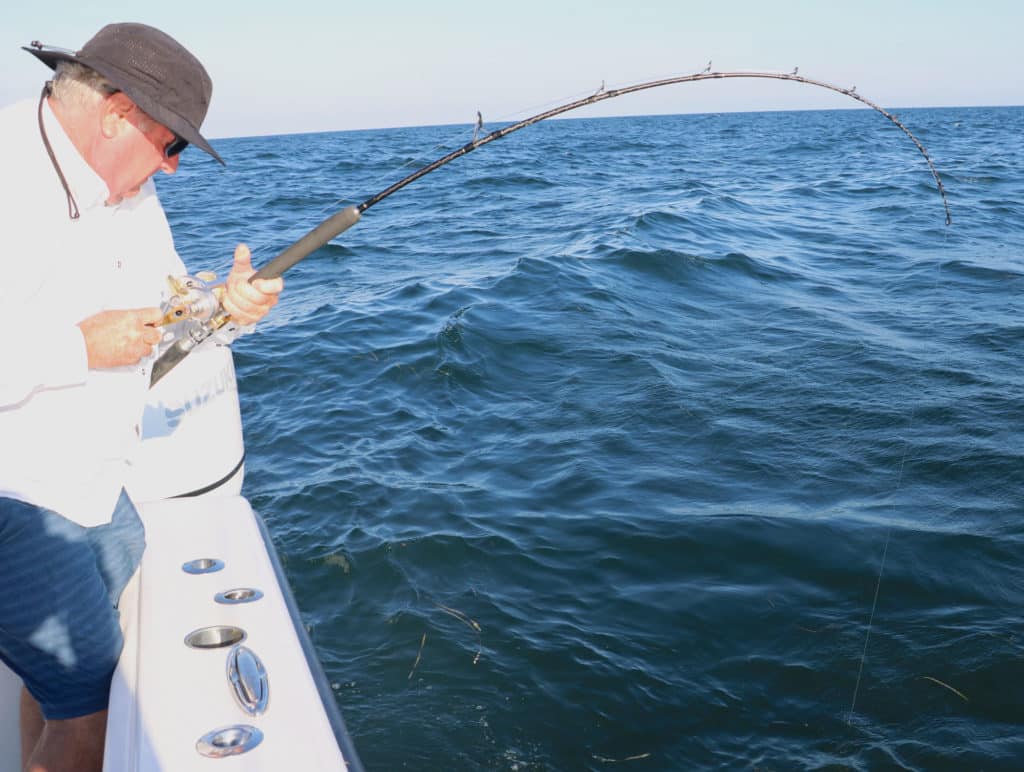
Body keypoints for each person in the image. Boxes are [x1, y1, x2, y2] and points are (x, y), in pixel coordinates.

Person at [0, 22, 283, 771]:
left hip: (94, 479)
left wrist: (226, 305)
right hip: (15, 490)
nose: (176, 167)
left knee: (75, 678)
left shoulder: (126, 188)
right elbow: (85, 341)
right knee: (91, 708)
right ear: (118, 113)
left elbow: (164, 301)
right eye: (171, 144)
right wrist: (78, 349)